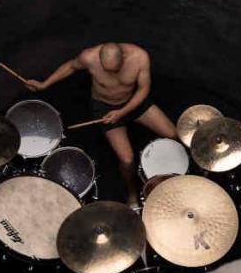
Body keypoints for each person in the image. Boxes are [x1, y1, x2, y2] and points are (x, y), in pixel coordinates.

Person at [27, 42, 177, 206]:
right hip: (104, 108)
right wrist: (44, 84)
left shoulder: (140, 57)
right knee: (127, 160)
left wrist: (122, 112)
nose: (111, 75)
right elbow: (71, 66)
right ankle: (132, 193)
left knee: (173, 134)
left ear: (124, 57)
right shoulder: (89, 57)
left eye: (115, 70)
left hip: (134, 102)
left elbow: (143, 89)